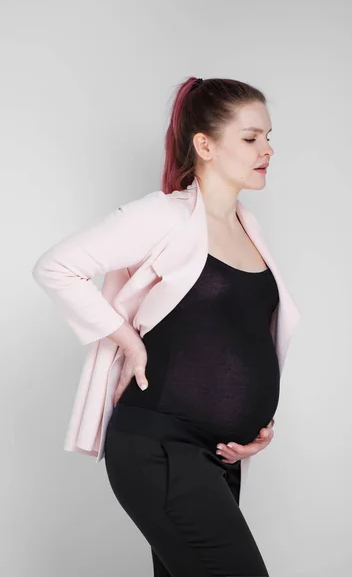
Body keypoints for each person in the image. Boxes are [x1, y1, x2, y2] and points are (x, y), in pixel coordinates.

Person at [32, 76, 301, 577]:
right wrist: (126, 339)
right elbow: (56, 266)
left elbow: (235, 340)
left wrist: (255, 423)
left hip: (220, 459)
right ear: (205, 145)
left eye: (268, 136)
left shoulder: (249, 228)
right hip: (161, 449)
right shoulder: (164, 217)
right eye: (250, 138)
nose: (267, 149)